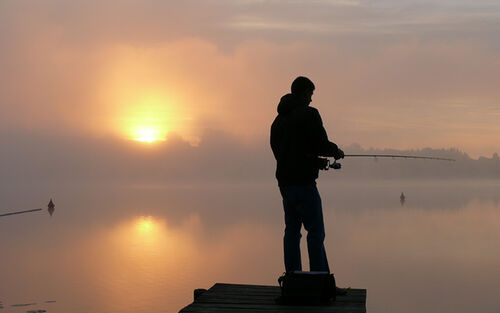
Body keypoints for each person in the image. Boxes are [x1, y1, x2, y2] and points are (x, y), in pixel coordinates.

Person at [270, 76, 344, 273]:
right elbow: (320, 144)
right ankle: (319, 278)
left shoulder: (277, 121)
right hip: (304, 183)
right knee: (316, 232)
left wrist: (313, 161)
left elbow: (284, 151)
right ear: (303, 93)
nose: (311, 99)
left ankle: (293, 278)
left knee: (292, 232)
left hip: (285, 183)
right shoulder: (309, 114)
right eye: (310, 94)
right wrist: (336, 151)